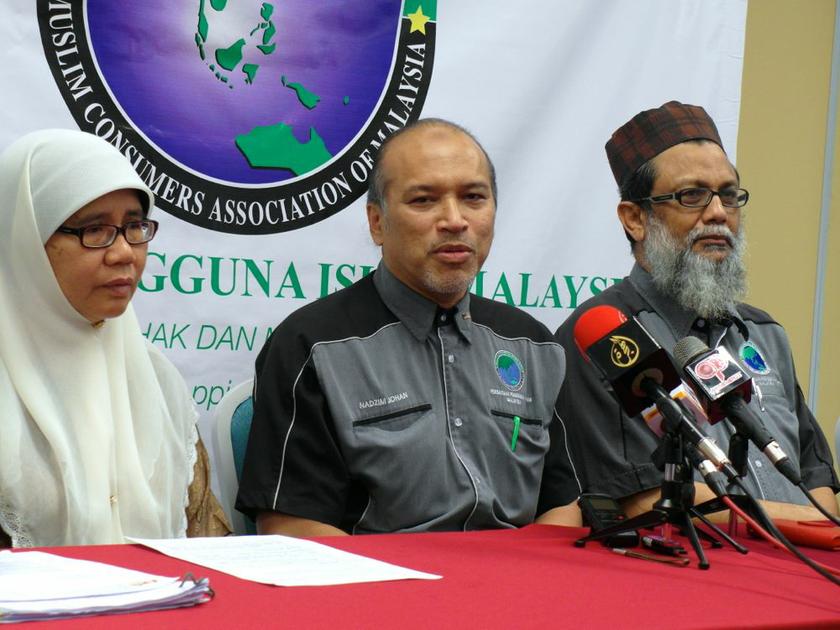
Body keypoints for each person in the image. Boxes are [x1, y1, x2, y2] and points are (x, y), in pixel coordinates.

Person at [236, 118, 581, 536]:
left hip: (517, 574)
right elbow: (291, 525)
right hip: (372, 575)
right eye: (424, 200)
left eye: (473, 197)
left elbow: (562, 507)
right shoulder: (310, 346)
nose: (454, 220)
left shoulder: (534, 344)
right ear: (377, 222)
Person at [555, 101, 839, 520]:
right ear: (635, 219)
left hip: (802, 556)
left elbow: (815, 476)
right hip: (697, 558)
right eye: (692, 196)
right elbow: (643, 496)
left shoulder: (764, 332)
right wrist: (808, 528)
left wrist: (818, 537)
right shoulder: (608, 335)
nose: (718, 213)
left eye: (729, 195)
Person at [0, 129, 230, 547]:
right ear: (26, 240)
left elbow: (203, 545)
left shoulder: (156, 381)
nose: (124, 252)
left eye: (134, 226)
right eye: (94, 230)